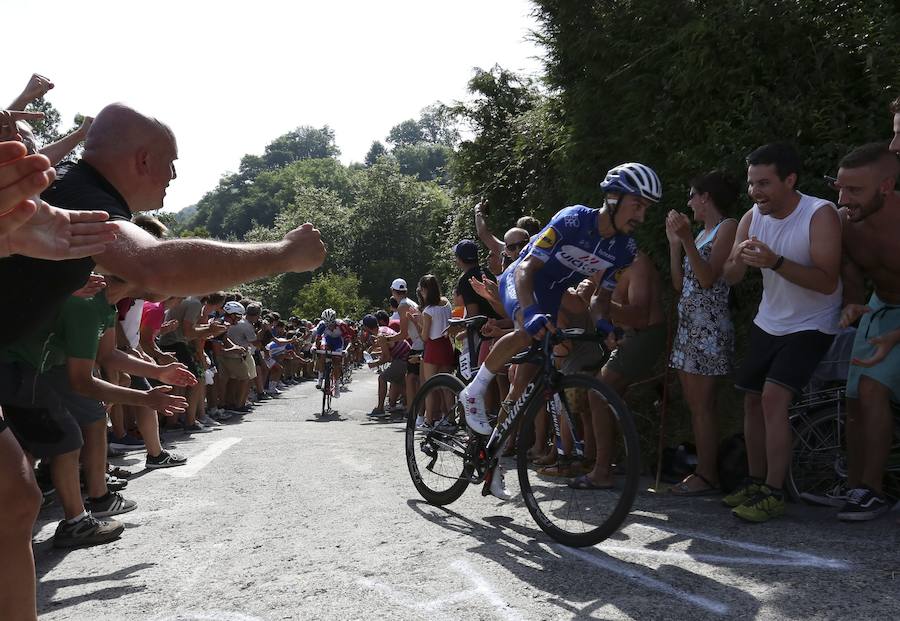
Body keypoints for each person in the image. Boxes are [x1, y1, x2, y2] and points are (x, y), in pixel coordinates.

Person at [0, 102, 325, 346]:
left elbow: (151, 285)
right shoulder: (85, 196)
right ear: (144, 160)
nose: (174, 175)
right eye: (171, 162)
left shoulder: (75, 186)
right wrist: (284, 253)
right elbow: (158, 269)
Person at [459, 162, 662, 500]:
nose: (641, 216)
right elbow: (525, 270)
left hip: (554, 296)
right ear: (613, 198)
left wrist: (606, 327)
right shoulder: (574, 219)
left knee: (523, 386)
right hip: (523, 281)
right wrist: (533, 312)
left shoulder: (623, 249)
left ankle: (490, 461)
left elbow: (600, 301)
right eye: (637, 205)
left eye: (646, 209)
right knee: (526, 329)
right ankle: (474, 389)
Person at [722, 143, 842, 523]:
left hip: (814, 321)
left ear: (790, 180)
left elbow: (826, 282)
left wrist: (775, 261)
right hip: (769, 320)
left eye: (764, 183)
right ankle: (756, 482)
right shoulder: (750, 217)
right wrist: (739, 260)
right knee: (751, 400)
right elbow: (728, 275)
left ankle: (775, 492)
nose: (755, 192)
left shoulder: (819, 213)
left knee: (774, 398)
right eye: (751, 184)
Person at [824, 142, 900, 520]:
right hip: (880, 307)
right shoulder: (844, 222)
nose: (843, 198)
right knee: (853, 398)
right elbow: (851, 270)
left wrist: (895, 336)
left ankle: (874, 490)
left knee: (872, 387)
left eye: (854, 190)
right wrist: (852, 305)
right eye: (839, 187)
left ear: (885, 187)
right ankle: (856, 486)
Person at [665, 170, 740, 495]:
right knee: (695, 404)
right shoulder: (699, 234)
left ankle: (707, 475)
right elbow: (681, 283)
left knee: (703, 404)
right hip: (689, 330)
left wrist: (685, 240)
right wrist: (674, 245)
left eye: (693, 195)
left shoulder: (728, 227)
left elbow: (709, 278)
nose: (689, 202)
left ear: (706, 197)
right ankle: (704, 471)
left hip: (708, 329)